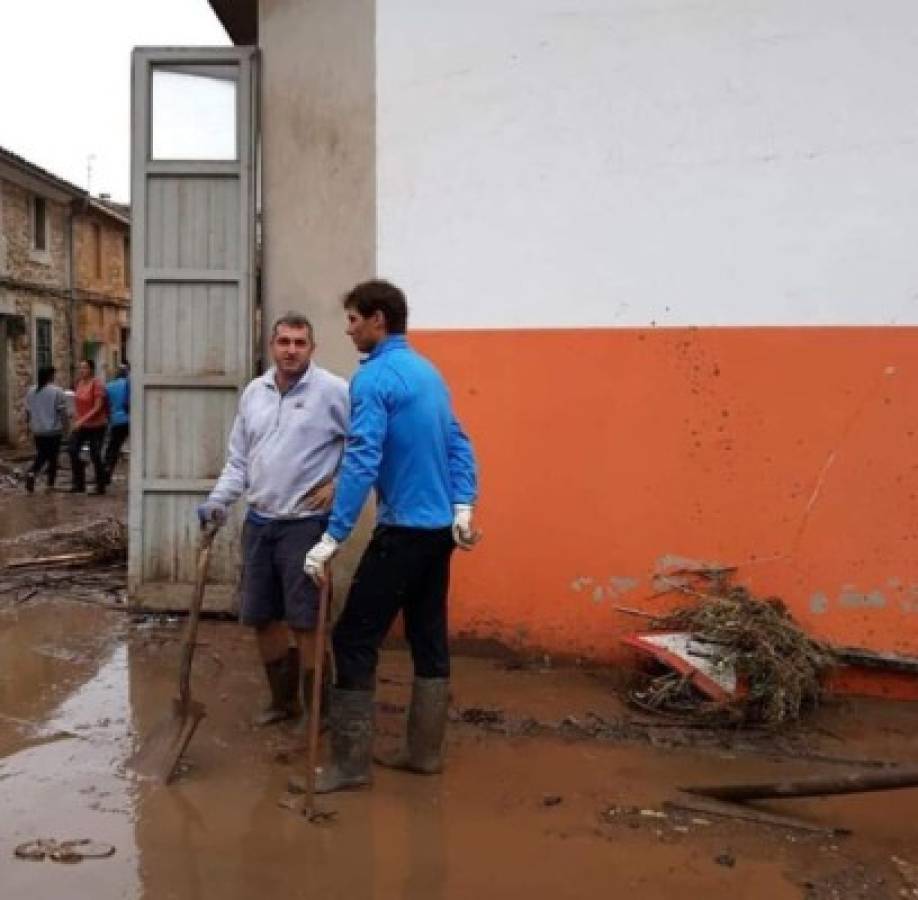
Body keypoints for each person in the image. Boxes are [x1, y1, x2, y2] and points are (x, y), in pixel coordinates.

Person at [300, 279, 479, 795]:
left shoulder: (374, 379)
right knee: (427, 636)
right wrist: (463, 506)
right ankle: (424, 754)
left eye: (354, 319)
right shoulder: (428, 372)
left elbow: (361, 459)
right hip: (439, 533)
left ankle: (350, 767)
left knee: (353, 638)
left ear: (378, 320)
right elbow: (460, 443)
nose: (350, 329)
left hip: (402, 532)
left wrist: (332, 536)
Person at [197, 313, 349, 729]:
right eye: (284, 342)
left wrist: (340, 482)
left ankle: (319, 712)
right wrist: (217, 502)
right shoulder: (255, 393)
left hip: (306, 525)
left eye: (300, 342)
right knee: (261, 617)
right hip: (260, 522)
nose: (291, 350)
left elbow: (367, 443)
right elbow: (238, 461)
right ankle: (284, 703)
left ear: (312, 348)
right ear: (272, 346)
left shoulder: (334, 391)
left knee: (305, 620)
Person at [24, 366, 68, 493]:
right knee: (52, 457)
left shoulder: (31, 391)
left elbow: (28, 412)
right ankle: (49, 483)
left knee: (42, 454)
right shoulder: (57, 391)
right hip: (53, 431)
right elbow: (62, 413)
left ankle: (33, 473)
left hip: (38, 430)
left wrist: (29, 427)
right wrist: (67, 429)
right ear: (50, 376)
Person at [68, 358, 109, 494]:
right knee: (72, 449)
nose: (82, 370)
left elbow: (98, 407)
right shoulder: (79, 384)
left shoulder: (97, 384)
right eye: (80, 368)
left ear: (91, 369)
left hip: (97, 425)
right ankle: (79, 483)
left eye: (84, 368)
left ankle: (100, 485)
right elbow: (77, 403)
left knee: (95, 454)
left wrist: (82, 420)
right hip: (82, 425)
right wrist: (75, 417)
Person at [103, 364, 130, 481]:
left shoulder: (108, 386)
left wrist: (109, 418)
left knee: (113, 447)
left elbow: (106, 405)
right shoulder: (129, 385)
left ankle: (107, 470)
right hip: (130, 419)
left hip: (116, 421)